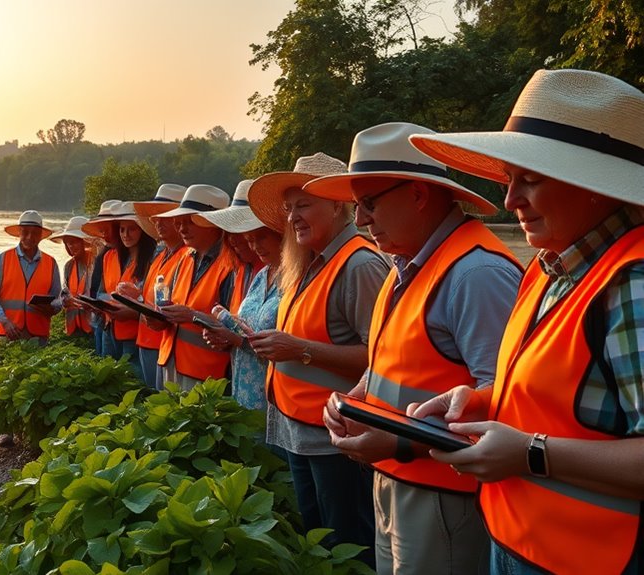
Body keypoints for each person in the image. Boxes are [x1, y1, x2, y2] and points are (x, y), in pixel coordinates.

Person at [407, 69, 644, 575]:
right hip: (520, 541)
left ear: (596, 186)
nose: (510, 200)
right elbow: (560, 397)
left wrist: (530, 454)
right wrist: (478, 402)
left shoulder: (634, 283)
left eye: (530, 180)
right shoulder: (551, 266)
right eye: (509, 179)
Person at [317, 123, 524, 575]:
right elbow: (393, 361)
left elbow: (508, 405)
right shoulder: (405, 263)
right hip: (396, 478)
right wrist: (356, 398)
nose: (359, 220)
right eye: (355, 207)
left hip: (444, 497)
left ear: (417, 194)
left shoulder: (476, 275)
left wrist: (396, 441)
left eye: (369, 204)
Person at [244, 154, 389, 565]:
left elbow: (380, 360)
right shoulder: (306, 263)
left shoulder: (360, 265)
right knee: (319, 543)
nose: (292, 218)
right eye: (289, 209)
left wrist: (299, 350)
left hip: (335, 441)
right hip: (300, 431)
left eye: (303, 205)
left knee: (347, 546)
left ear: (338, 205)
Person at [191, 180, 283, 412]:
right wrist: (225, 336)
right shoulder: (260, 273)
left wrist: (235, 339)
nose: (250, 244)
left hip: (275, 401)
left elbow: (286, 345)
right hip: (243, 390)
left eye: (256, 236)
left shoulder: (292, 277)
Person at [146, 184, 237, 390]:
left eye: (189, 222)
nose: (181, 228)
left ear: (213, 223)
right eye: (179, 222)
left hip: (207, 377)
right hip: (169, 362)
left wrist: (192, 316)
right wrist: (157, 319)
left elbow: (234, 327)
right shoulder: (185, 258)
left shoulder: (230, 264)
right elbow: (173, 308)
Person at [84, 202, 158, 381]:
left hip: (134, 334)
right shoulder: (112, 257)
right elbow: (102, 291)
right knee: (111, 380)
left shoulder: (151, 260)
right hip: (111, 328)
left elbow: (150, 300)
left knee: (132, 382)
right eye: (122, 229)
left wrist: (130, 310)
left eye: (132, 229)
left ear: (143, 230)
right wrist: (104, 304)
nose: (126, 235)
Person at [133, 184, 188, 389]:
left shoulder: (186, 255)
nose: (156, 221)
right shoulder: (161, 255)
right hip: (148, 340)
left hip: (163, 344)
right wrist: (137, 297)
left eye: (163, 216)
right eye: (155, 217)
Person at [0, 210, 61, 346]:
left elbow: (58, 299)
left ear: (41, 235)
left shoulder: (51, 263)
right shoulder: (2, 260)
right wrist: (4, 320)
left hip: (38, 337)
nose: (30, 237)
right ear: (19, 232)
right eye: (25, 232)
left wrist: (52, 308)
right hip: (6, 335)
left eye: (35, 233)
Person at [85, 200, 123, 356]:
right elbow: (100, 289)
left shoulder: (132, 256)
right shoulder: (106, 255)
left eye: (107, 230)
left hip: (120, 326)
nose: (104, 235)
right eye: (102, 231)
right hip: (104, 321)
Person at [48, 216, 95, 339]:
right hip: (74, 330)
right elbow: (65, 292)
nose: (71, 246)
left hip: (93, 328)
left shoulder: (96, 263)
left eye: (75, 242)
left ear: (85, 241)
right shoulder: (69, 266)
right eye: (68, 242)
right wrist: (65, 301)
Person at [224, 179, 264, 314]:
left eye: (241, 230)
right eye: (229, 230)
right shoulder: (241, 269)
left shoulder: (275, 271)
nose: (232, 239)